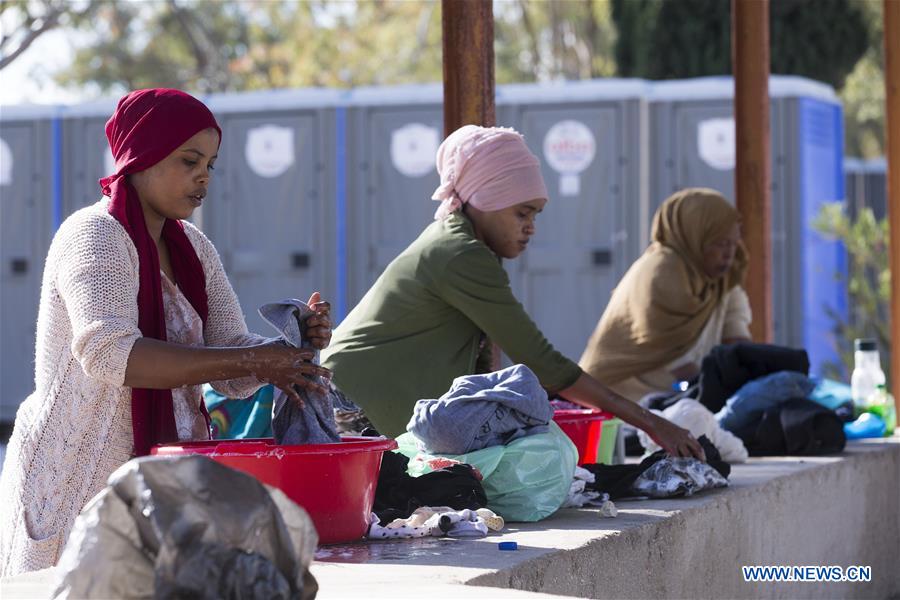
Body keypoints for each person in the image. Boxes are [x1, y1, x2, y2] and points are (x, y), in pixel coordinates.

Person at [0, 89, 332, 576]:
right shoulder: (93, 235)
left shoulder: (194, 248)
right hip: (78, 475)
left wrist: (287, 349)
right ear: (141, 156)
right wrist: (255, 361)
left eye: (211, 164)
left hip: (165, 478)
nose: (204, 176)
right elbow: (113, 356)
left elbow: (230, 367)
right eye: (189, 160)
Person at [322, 125, 703, 460]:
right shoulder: (459, 253)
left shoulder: (466, 244)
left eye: (535, 214)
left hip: (356, 396)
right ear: (483, 201)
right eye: (522, 213)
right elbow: (543, 362)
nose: (531, 228)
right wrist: (652, 423)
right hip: (352, 403)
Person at [579, 188, 752, 402]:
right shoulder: (661, 272)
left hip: (670, 403)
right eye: (720, 243)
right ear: (695, 237)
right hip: (617, 400)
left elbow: (736, 341)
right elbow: (679, 363)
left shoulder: (722, 276)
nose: (729, 254)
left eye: (734, 243)